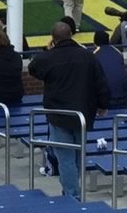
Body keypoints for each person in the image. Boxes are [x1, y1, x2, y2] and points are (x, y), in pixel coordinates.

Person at [27, 21, 110, 201]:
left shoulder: (49, 58)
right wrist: (103, 105)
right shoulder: (87, 56)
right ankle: (73, 191)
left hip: (60, 114)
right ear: (71, 34)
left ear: (53, 39)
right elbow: (101, 82)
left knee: (65, 156)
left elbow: (33, 68)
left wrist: (49, 51)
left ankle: (72, 194)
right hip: (82, 112)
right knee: (78, 154)